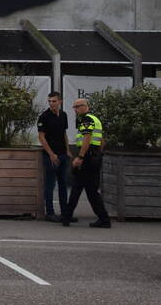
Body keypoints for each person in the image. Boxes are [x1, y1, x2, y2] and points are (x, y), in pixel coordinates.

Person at [62, 98, 111, 228]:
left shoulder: (86, 119)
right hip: (94, 156)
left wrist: (80, 157)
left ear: (85, 106)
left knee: (78, 187)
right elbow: (101, 140)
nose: (75, 110)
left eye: (77, 107)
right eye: (74, 107)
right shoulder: (95, 119)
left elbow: (87, 138)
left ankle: (66, 217)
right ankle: (103, 219)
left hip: (87, 157)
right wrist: (98, 154)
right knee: (91, 190)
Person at [37, 91, 70, 222]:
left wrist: (67, 150)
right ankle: (50, 213)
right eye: (49, 101)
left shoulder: (63, 115)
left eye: (54, 101)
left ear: (60, 102)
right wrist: (51, 154)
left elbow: (64, 134)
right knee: (50, 184)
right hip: (50, 155)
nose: (51, 103)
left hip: (62, 154)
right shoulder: (44, 116)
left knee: (63, 184)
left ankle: (65, 213)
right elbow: (41, 137)